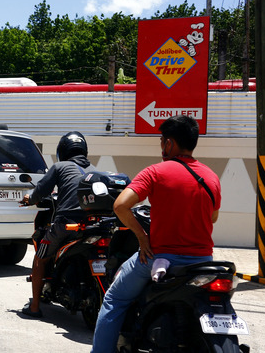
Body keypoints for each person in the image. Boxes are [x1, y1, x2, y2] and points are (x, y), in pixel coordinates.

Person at [91, 115, 221, 353]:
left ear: (169, 144)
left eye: (162, 141)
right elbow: (213, 217)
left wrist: (142, 237)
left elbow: (120, 205)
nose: (161, 146)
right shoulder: (211, 177)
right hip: (203, 262)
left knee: (114, 299)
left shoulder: (155, 172)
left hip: (161, 258)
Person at [20, 131, 95, 318]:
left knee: (40, 257)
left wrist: (30, 199)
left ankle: (35, 307)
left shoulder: (60, 166)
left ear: (62, 150)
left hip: (66, 223)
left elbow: (40, 191)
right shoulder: (94, 170)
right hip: (92, 225)